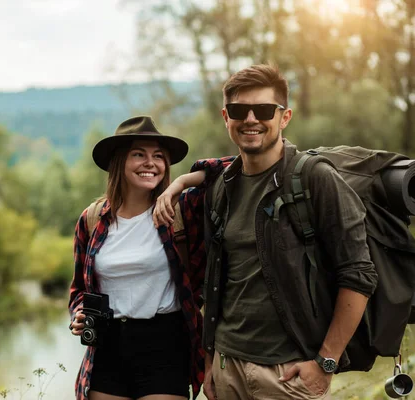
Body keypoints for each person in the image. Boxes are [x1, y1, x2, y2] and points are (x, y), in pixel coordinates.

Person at [153, 64, 378, 400]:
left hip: (288, 374)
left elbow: (358, 275)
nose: (251, 119)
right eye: (240, 111)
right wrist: (212, 356)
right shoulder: (222, 186)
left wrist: (326, 361)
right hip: (227, 368)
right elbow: (220, 280)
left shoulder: (316, 179)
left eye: (263, 110)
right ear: (225, 117)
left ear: (284, 117)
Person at [69, 116, 232, 400]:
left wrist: (180, 183)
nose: (150, 163)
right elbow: (79, 290)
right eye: (138, 155)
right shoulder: (92, 219)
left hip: (165, 345)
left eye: (158, 156)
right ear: (118, 162)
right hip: (106, 349)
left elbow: (235, 169)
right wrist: (79, 315)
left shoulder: (181, 210)